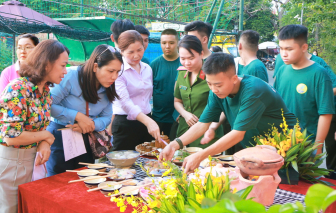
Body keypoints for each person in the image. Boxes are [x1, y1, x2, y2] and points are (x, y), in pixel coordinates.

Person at [159, 52, 297, 173]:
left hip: (287, 149)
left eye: (218, 85)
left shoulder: (253, 90)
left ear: (234, 79)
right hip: (259, 151)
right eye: (209, 84)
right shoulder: (216, 92)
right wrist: (174, 144)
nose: (213, 89)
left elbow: (237, 134)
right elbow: (202, 124)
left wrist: (201, 155)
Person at [0, 39, 69, 213]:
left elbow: (39, 128)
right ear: (47, 64)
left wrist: (44, 141)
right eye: (62, 65)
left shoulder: (44, 90)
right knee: (12, 209)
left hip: (33, 160)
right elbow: (11, 136)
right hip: (12, 161)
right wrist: (46, 136)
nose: (65, 71)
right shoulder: (18, 88)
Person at [46, 45, 122, 176]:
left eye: (118, 72)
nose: (115, 77)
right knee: (58, 180)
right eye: (111, 71)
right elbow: (48, 105)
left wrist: (90, 125)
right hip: (60, 135)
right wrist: (78, 116)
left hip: (87, 138)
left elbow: (107, 117)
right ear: (95, 67)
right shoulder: (70, 76)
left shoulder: (108, 86)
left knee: (85, 179)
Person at [274, 25, 335, 157]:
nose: (283, 53)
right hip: (282, 143)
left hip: (306, 146)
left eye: (289, 49)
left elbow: (325, 113)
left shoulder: (319, 74)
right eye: (281, 48)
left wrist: (317, 147)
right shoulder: (282, 71)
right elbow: (275, 104)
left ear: (304, 48)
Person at [112, 30, 161, 150]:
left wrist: (148, 121)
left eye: (139, 50)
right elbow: (125, 103)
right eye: (131, 52)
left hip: (147, 120)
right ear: (121, 51)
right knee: (123, 163)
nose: (136, 55)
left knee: (147, 162)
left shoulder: (147, 68)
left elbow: (147, 97)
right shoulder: (118, 71)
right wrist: (148, 122)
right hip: (125, 124)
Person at [174, 35, 224, 148]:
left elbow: (223, 107)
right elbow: (177, 101)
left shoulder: (213, 74)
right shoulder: (181, 73)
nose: (186, 63)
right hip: (184, 133)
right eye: (182, 58)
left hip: (206, 136)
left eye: (191, 58)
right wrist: (185, 114)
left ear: (201, 54)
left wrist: (212, 127)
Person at [151, 29, 180, 138]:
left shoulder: (185, 63)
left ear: (177, 43)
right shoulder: (154, 65)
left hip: (179, 118)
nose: (167, 46)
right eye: (164, 43)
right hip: (159, 118)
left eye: (171, 43)